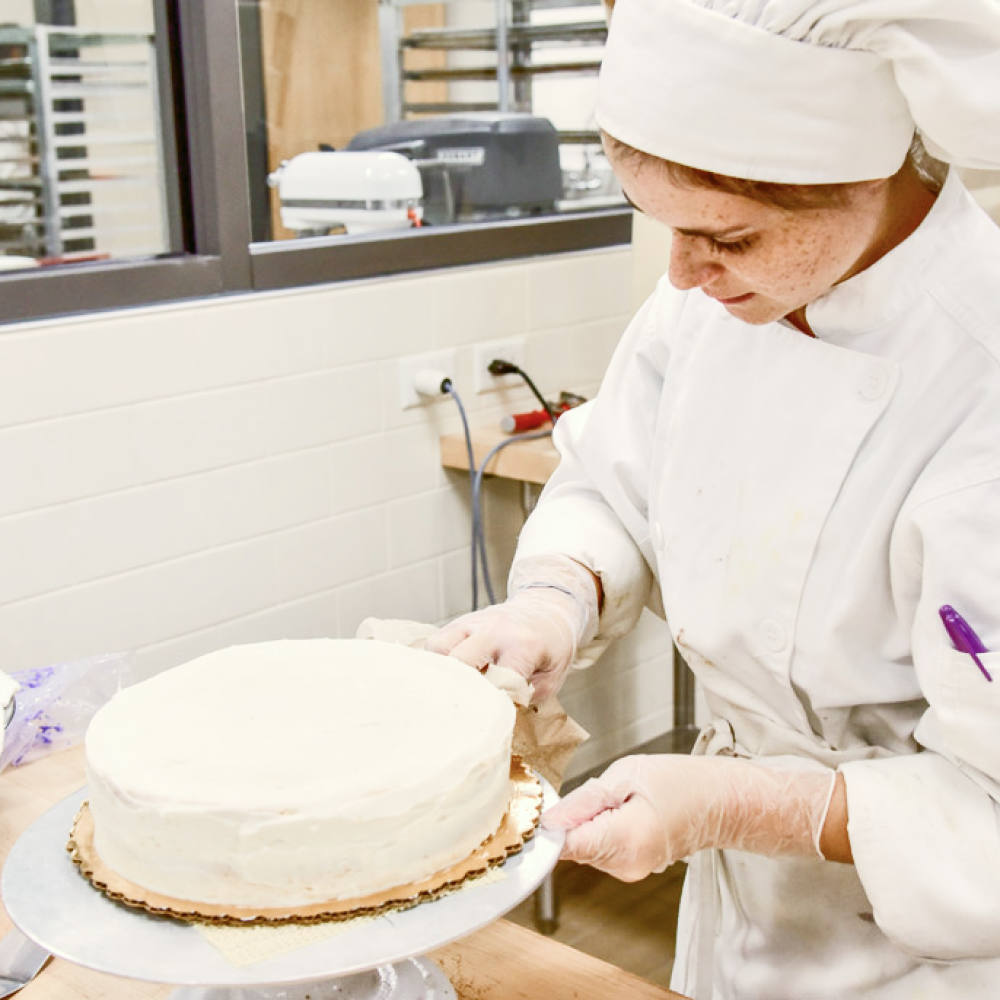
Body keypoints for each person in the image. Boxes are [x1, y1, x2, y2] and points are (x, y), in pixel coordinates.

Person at [426, 0, 1000, 996]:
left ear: (859, 181)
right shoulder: (711, 300)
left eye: (724, 235)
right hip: (737, 921)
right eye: (664, 229)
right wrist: (552, 603)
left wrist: (744, 807)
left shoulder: (977, 380)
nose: (683, 273)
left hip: (932, 954)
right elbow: (616, 479)